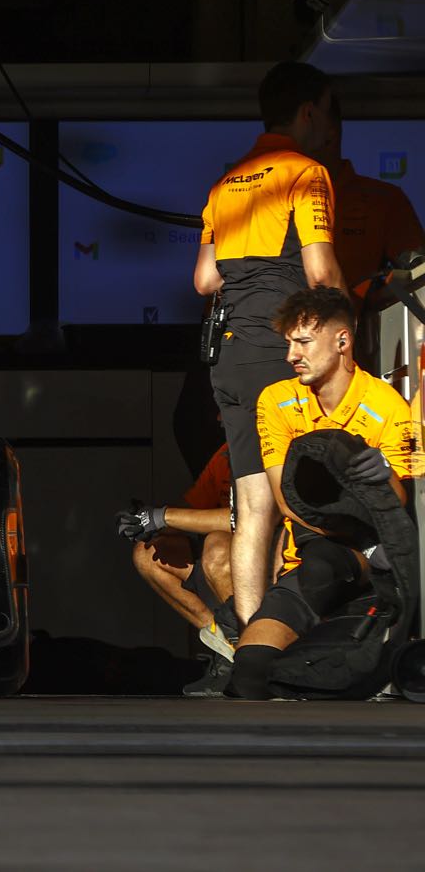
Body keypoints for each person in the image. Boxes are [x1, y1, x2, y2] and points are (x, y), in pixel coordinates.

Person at [194, 61, 344, 632]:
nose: (329, 125)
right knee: (303, 501)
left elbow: (205, 280)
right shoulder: (305, 172)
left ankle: (253, 645)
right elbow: (321, 273)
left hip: (229, 359)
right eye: (326, 112)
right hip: (280, 356)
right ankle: (301, 639)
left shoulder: (225, 184)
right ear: (308, 112)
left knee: (253, 504)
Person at [227, 286, 419, 699]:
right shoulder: (276, 400)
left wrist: (384, 473)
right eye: (289, 343)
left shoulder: (386, 404)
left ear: (342, 341)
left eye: (302, 342)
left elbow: (400, 503)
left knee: (323, 569)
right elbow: (287, 500)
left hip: (371, 565)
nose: (291, 355)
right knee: (250, 674)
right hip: (314, 553)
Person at [115, 442, 237, 695]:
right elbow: (192, 511)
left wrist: (163, 517)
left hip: (273, 567)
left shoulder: (265, 446)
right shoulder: (225, 453)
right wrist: (145, 521)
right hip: (226, 570)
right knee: (148, 553)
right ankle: (227, 649)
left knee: (217, 546)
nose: (219, 422)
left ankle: (254, 653)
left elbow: (249, 517)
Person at [318, 95, 425, 307]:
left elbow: (418, 275)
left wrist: (365, 299)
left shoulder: (384, 199)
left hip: (358, 326)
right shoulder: (266, 197)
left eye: (287, 133)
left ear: (329, 131)